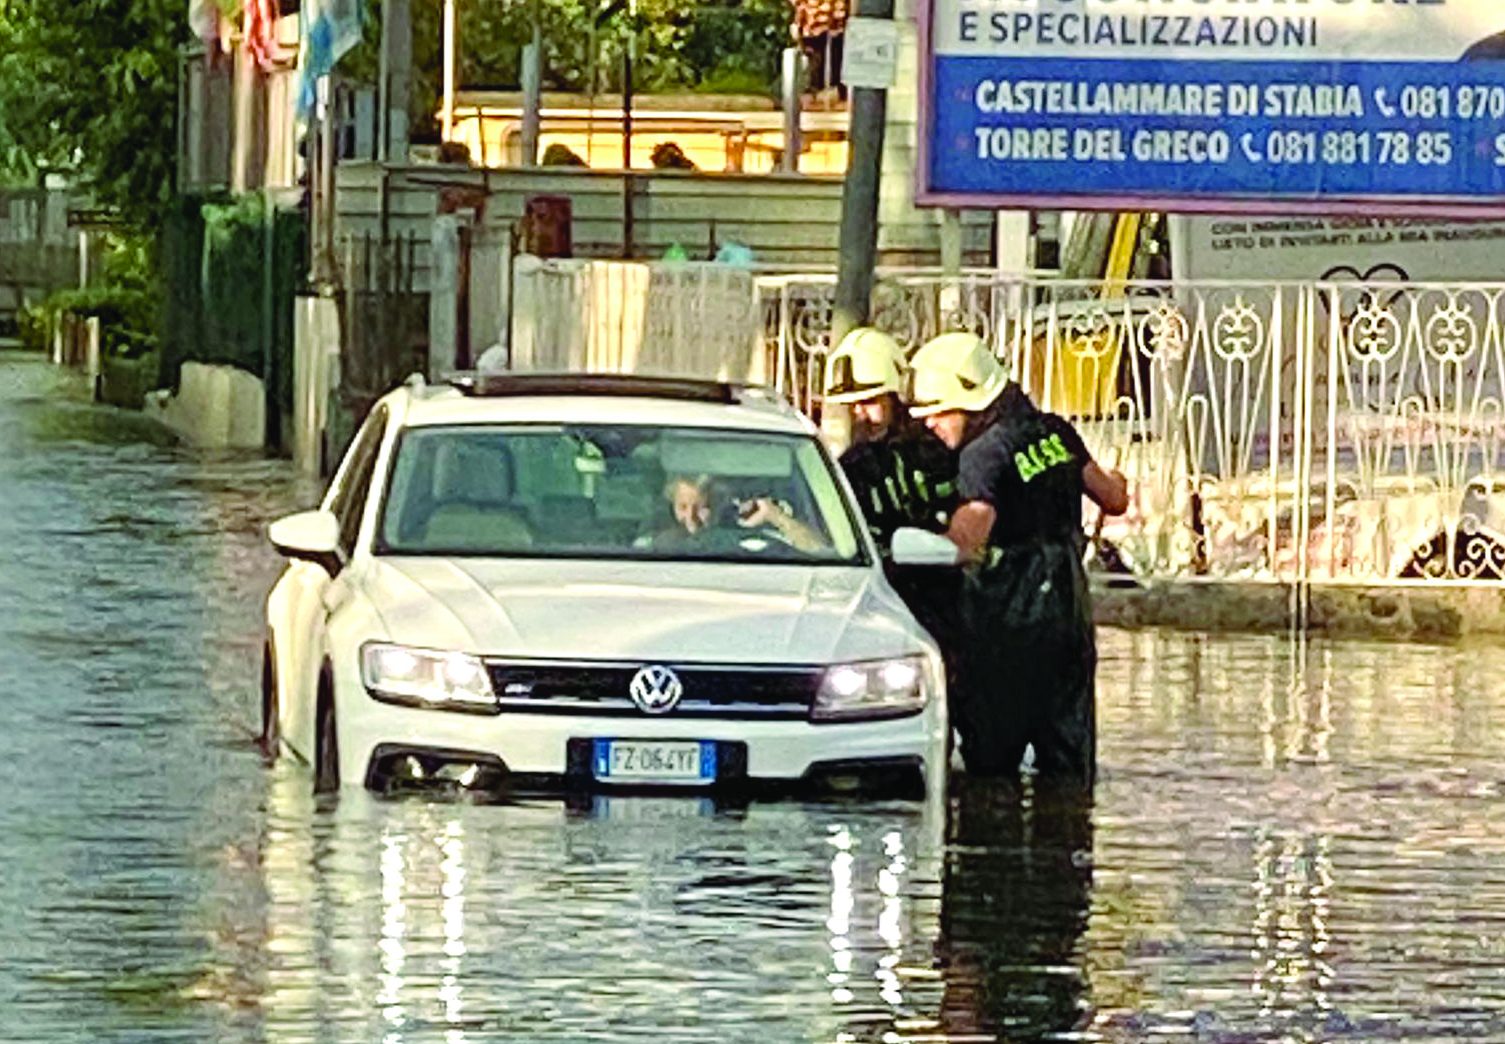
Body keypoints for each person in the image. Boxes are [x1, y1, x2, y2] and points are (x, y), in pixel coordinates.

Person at [907, 332, 1129, 788]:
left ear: (971, 402)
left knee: (991, 767)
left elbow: (969, 539)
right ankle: (1067, 848)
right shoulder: (1054, 430)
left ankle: (993, 855)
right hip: (1068, 618)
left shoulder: (981, 455)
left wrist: (915, 546)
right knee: (1069, 764)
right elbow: (1114, 497)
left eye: (937, 412)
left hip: (1006, 623)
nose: (929, 423)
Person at [823, 327, 960, 654]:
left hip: (953, 599)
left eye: (869, 401)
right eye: (853, 404)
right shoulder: (852, 466)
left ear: (896, 395)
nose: (859, 413)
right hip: (885, 600)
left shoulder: (941, 450)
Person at [652, 475, 826, 554]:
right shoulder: (658, 547)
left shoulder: (756, 533)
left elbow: (820, 550)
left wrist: (776, 517)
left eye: (701, 508)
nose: (691, 518)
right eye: (682, 507)